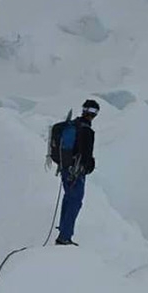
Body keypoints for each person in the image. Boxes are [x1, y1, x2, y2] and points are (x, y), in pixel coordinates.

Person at [54, 99, 99, 245]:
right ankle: (64, 236)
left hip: (65, 168)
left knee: (69, 198)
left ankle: (63, 232)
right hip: (76, 172)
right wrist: (89, 166)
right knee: (75, 201)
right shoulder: (86, 131)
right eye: (92, 111)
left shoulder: (71, 125)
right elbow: (86, 157)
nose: (92, 115)